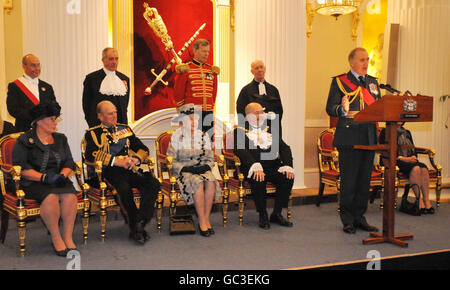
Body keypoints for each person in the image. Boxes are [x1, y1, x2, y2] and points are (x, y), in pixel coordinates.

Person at [83, 101, 160, 244]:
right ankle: (136, 228)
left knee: (153, 183)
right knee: (123, 189)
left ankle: (140, 222)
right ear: (100, 116)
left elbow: (142, 148)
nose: (114, 116)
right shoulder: (92, 133)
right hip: (109, 172)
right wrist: (116, 161)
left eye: (115, 112)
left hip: (130, 169)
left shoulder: (125, 129)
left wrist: (136, 159)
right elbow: (90, 155)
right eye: (110, 113)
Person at [326, 47, 381, 234]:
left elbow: (378, 107)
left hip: (369, 135)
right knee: (349, 181)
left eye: (367, 59)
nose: (366, 63)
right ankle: (348, 220)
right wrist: (341, 109)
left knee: (364, 181)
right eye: (362, 60)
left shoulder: (373, 83)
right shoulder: (340, 82)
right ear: (351, 62)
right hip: (349, 136)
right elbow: (329, 107)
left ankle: (360, 217)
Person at [12, 102, 78, 256]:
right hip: (34, 181)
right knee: (50, 198)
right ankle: (56, 237)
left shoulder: (61, 139)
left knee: (70, 196)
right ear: (39, 121)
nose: (55, 123)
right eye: (51, 119)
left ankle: (67, 237)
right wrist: (45, 178)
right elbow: (21, 168)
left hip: (58, 178)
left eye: (55, 119)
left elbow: (69, 161)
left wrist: (63, 175)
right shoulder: (24, 140)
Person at [233, 102, 294, 230]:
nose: (261, 115)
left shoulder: (271, 129)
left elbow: (284, 148)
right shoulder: (239, 131)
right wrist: (255, 166)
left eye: (262, 112)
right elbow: (241, 152)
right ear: (248, 115)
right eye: (257, 112)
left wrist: (288, 165)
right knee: (258, 178)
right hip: (251, 167)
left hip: (272, 166)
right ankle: (263, 214)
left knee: (287, 177)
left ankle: (276, 213)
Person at [166, 104, 222, 237]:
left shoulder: (203, 136)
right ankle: (202, 222)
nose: (194, 123)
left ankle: (205, 218)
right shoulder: (176, 137)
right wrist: (187, 168)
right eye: (190, 120)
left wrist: (205, 167)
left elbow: (210, 157)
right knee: (198, 182)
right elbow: (170, 160)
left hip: (201, 169)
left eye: (196, 120)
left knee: (211, 180)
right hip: (184, 171)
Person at [379, 123, 435, 214]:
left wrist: (413, 156)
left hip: (408, 160)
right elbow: (386, 151)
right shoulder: (385, 131)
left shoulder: (406, 132)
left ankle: (426, 201)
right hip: (392, 160)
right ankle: (419, 200)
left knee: (424, 168)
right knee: (416, 168)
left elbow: (412, 148)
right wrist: (405, 159)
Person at [173, 39, 220, 137]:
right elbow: (178, 95)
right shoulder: (186, 69)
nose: (206, 54)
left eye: (208, 51)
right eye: (203, 51)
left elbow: (213, 94)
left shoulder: (211, 71)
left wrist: (210, 108)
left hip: (208, 113)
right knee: (191, 144)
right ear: (195, 50)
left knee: (208, 142)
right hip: (191, 114)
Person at [7, 54, 57, 132]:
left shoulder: (47, 87)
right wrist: (34, 116)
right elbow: (13, 109)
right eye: (33, 65)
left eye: (38, 65)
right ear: (24, 66)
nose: (37, 68)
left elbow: (54, 106)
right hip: (25, 130)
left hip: (45, 131)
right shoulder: (15, 86)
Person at [82, 47, 130, 128]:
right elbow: (86, 105)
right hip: (99, 126)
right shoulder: (92, 78)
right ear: (103, 60)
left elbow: (125, 105)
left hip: (121, 127)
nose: (114, 62)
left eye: (116, 59)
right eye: (111, 59)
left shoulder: (125, 79)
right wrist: (93, 125)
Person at [236, 60, 284, 133]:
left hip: (272, 130)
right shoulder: (245, 91)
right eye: (257, 68)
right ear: (252, 71)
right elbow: (241, 112)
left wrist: (272, 119)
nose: (260, 70)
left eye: (261, 67)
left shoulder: (273, 90)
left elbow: (279, 111)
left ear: (265, 69)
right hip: (253, 131)